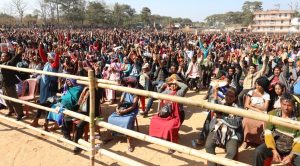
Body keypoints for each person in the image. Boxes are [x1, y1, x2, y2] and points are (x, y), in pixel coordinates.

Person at [253, 93, 300, 166]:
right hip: (274, 146)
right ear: (280, 103)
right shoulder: (273, 114)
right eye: (284, 104)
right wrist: (274, 151)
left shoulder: (298, 120)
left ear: (293, 105)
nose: (286, 108)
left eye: (289, 105)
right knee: (258, 151)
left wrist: (291, 156)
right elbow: (268, 133)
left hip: (291, 149)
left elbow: (298, 140)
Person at [149, 74, 188, 154]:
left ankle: (172, 146)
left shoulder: (180, 92)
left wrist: (175, 81)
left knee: (170, 128)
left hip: (177, 115)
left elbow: (185, 87)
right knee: (154, 120)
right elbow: (158, 94)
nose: (173, 85)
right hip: (167, 114)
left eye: (175, 84)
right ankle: (164, 136)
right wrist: (163, 86)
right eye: (171, 84)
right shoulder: (167, 91)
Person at [205, 87, 243, 166]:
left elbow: (236, 124)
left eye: (231, 96)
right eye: (227, 95)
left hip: (232, 134)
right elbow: (213, 106)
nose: (228, 98)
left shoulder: (239, 108)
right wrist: (215, 95)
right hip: (217, 130)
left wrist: (222, 118)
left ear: (235, 98)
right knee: (208, 146)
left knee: (231, 152)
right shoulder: (221, 104)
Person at [104, 77, 139, 152]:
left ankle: (129, 141)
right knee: (111, 118)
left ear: (133, 86)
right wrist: (117, 107)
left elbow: (133, 106)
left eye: (130, 85)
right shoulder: (125, 91)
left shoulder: (136, 93)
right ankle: (110, 135)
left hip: (132, 110)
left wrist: (125, 111)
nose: (128, 87)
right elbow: (120, 101)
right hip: (123, 108)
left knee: (127, 121)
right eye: (128, 85)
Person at [31, 44, 60, 127]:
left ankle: (44, 122)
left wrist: (57, 54)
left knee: (48, 103)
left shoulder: (54, 65)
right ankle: (43, 122)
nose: (47, 57)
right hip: (44, 87)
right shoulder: (47, 63)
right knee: (44, 103)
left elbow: (56, 61)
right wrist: (40, 46)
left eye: (49, 57)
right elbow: (42, 54)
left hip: (50, 87)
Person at [243, 76, 270, 148]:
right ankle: (246, 140)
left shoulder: (266, 95)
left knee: (262, 123)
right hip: (252, 111)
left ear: (263, 86)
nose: (257, 86)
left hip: (262, 113)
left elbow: (265, 108)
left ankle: (259, 141)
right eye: (256, 84)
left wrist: (254, 105)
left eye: (259, 85)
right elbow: (246, 105)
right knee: (246, 121)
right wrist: (257, 109)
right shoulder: (251, 92)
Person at [0, 46, 25, 120]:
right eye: (1, 56)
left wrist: (19, 53)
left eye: (3, 56)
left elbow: (15, 59)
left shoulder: (9, 63)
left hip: (9, 84)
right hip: (3, 84)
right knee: (6, 99)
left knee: (14, 99)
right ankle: (11, 110)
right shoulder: (2, 63)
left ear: (8, 57)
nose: (1, 57)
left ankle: (20, 114)